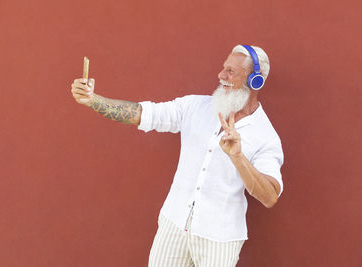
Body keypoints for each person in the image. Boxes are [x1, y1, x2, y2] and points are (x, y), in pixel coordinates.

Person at [70, 44, 284, 267]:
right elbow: (144, 114)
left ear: (255, 81)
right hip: (173, 223)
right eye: (223, 68)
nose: (221, 75)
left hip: (219, 238)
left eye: (231, 71)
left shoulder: (265, 136)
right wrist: (94, 100)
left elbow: (270, 197)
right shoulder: (195, 107)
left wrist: (238, 157)